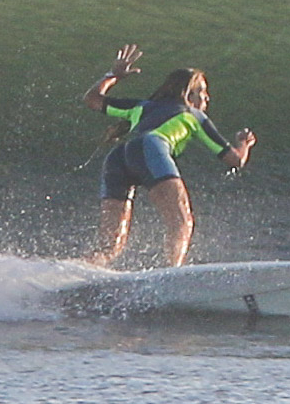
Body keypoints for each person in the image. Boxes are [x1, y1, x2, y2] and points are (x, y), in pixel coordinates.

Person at [81, 44, 256, 266]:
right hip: (151, 148)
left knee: (110, 244)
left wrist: (113, 75)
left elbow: (92, 99)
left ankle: (77, 271)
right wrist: (244, 143)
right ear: (188, 94)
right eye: (202, 90)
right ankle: (171, 274)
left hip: (118, 156)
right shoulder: (192, 115)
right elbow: (235, 159)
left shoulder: (142, 107)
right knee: (181, 221)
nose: (207, 97)